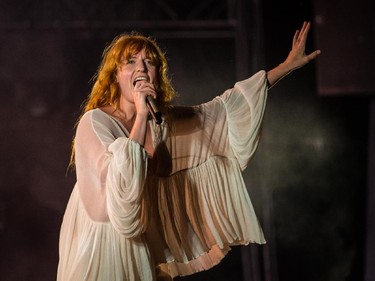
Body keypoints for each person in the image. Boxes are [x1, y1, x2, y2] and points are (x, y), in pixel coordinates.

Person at [57, 21, 321, 281]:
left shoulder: (160, 122)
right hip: (100, 240)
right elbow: (121, 183)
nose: (142, 67)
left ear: (156, 75)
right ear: (115, 74)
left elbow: (221, 113)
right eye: (131, 62)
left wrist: (286, 68)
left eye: (149, 62)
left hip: (137, 241)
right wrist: (140, 116)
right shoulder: (95, 122)